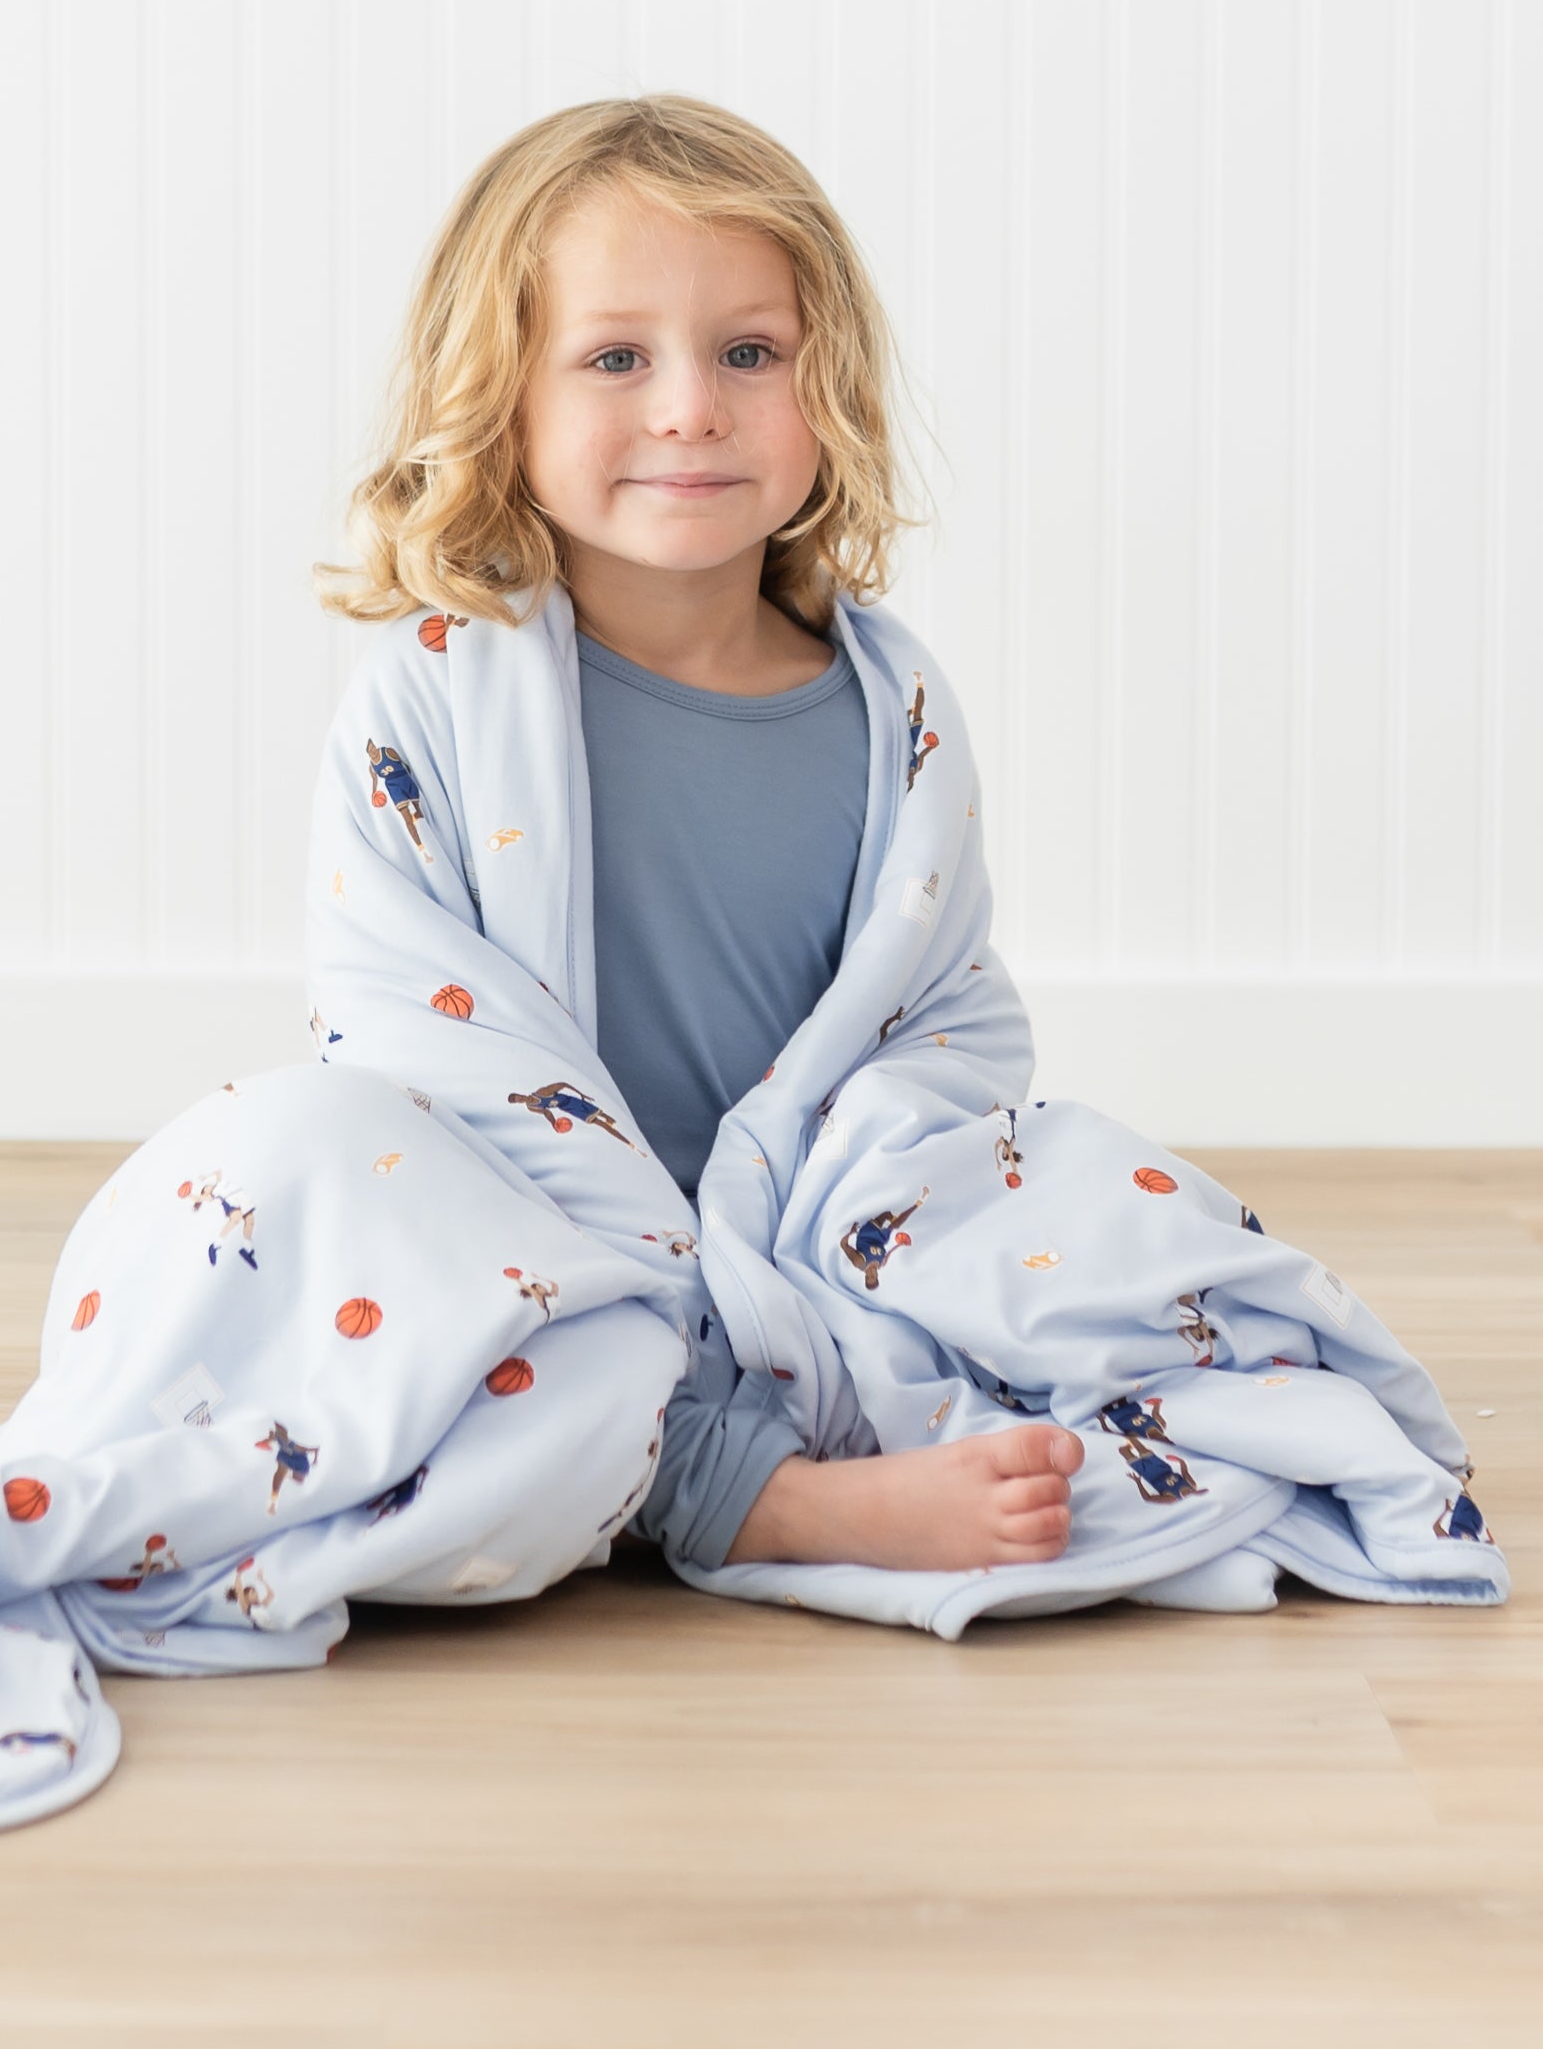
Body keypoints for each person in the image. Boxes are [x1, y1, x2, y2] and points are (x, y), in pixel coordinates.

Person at [314, 94, 1086, 1578]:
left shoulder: (891, 703)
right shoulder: (434, 688)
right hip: (524, 1255)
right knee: (281, 1174)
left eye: (751, 353)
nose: (690, 408)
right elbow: (403, 1025)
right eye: (616, 358)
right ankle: (740, 1489)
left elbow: (941, 1021)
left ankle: (779, 1422)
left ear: (829, 382)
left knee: (1113, 1204)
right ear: (503, 398)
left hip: (810, 1253)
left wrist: (858, 1208)